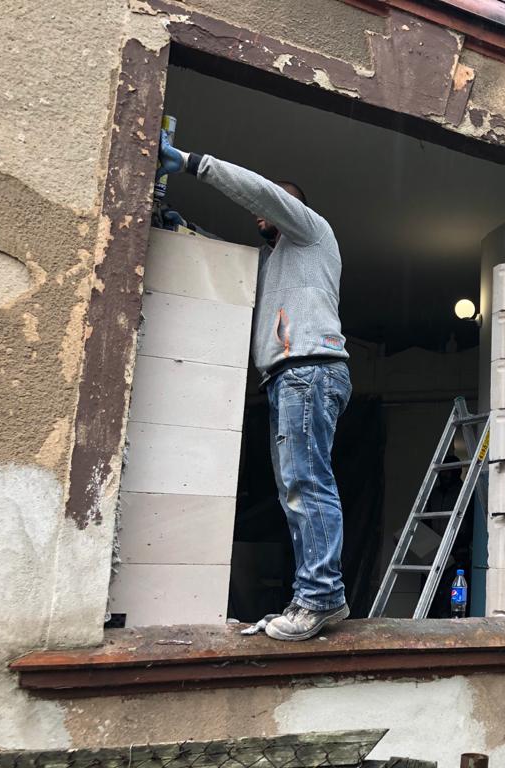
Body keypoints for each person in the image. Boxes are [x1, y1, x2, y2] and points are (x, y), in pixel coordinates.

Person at [157, 133, 352, 641]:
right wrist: (186, 230)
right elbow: (235, 268)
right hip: (290, 377)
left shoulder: (312, 232)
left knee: (306, 484)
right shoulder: (275, 261)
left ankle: (321, 597)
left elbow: (262, 193)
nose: (261, 212)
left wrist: (194, 163)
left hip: (309, 368)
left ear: (294, 209)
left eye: (276, 204)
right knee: (296, 488)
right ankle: (315, 594)